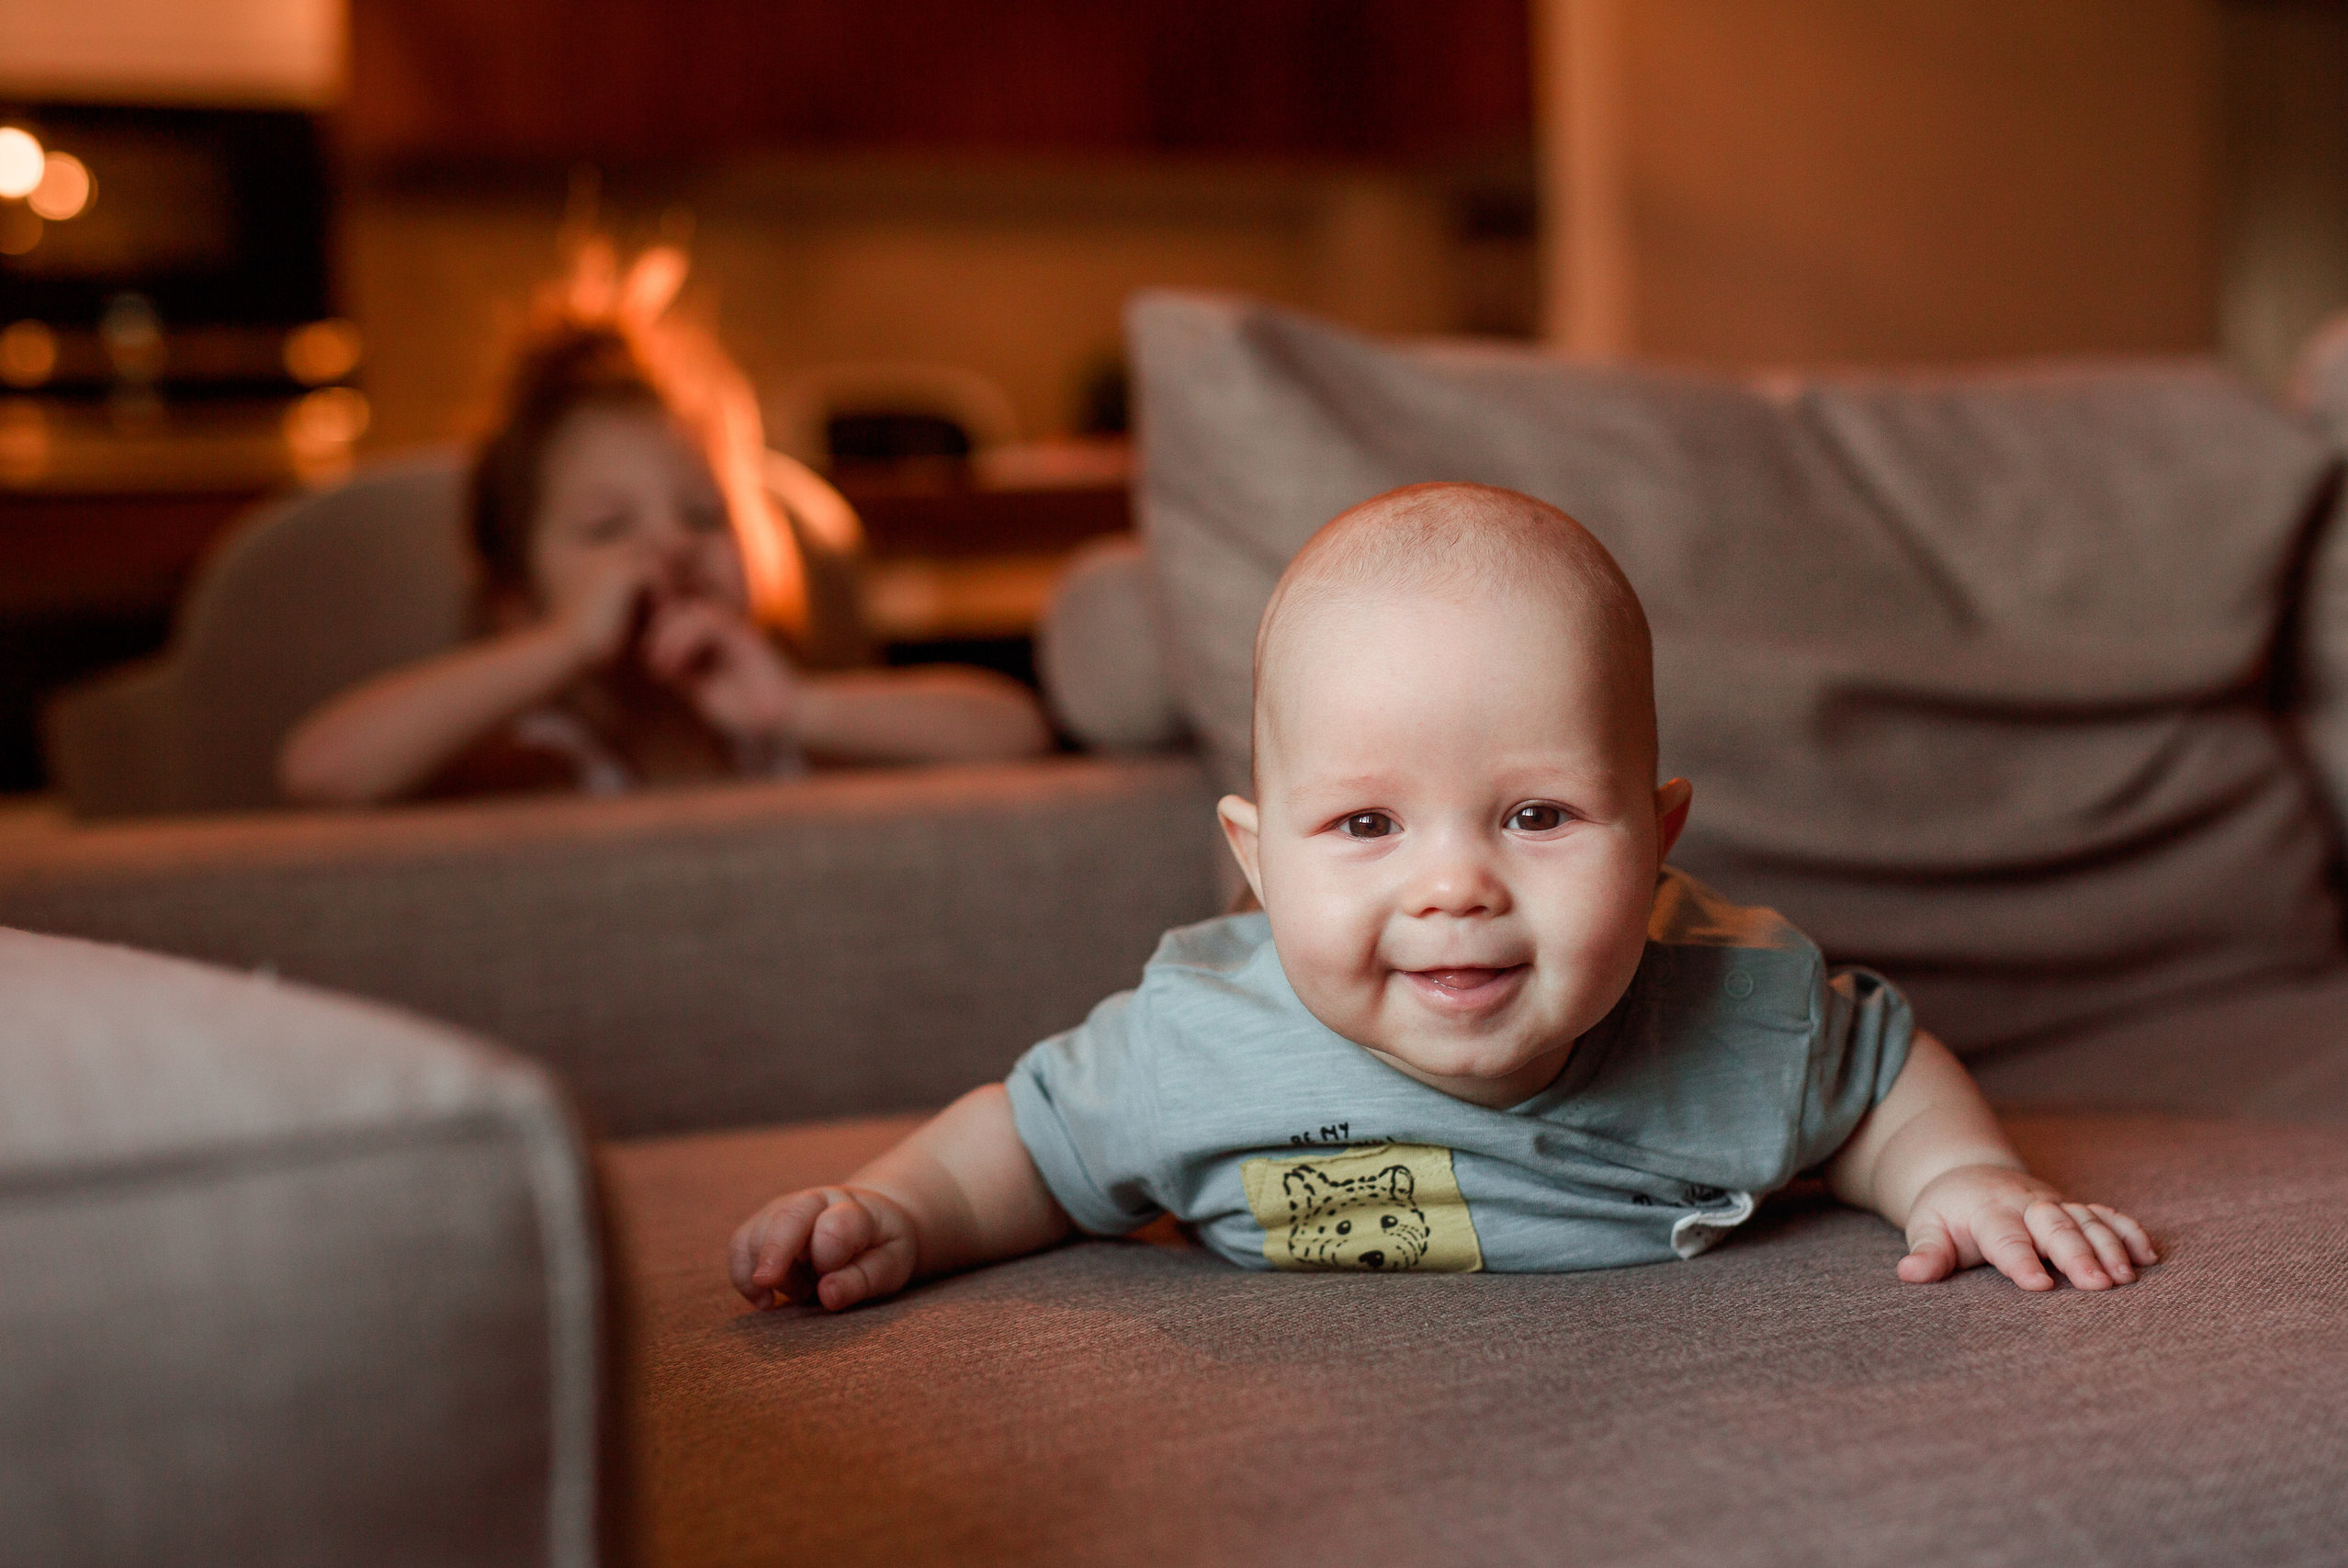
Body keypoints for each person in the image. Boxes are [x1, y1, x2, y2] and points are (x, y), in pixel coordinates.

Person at [728, 482, 2157, 1310]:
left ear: (1655, 840)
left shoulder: (1741, 1012)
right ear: (1256, 855)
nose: (1457, 883)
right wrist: (899, 1208)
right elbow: (1030, 1147)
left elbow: (1886, 1079)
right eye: (1364, 821)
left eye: (1538, 814)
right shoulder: (1194, 1044)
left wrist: (1961, 1176)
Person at [278, 246, 1049, 807]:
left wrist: (795, 709)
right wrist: (560, 647)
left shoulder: (785, 732)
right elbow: (320, 771)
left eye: (705, 516)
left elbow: (1016, 735)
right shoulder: (534, 763)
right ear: (515, 594)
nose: (670, 545)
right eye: (608, 527)